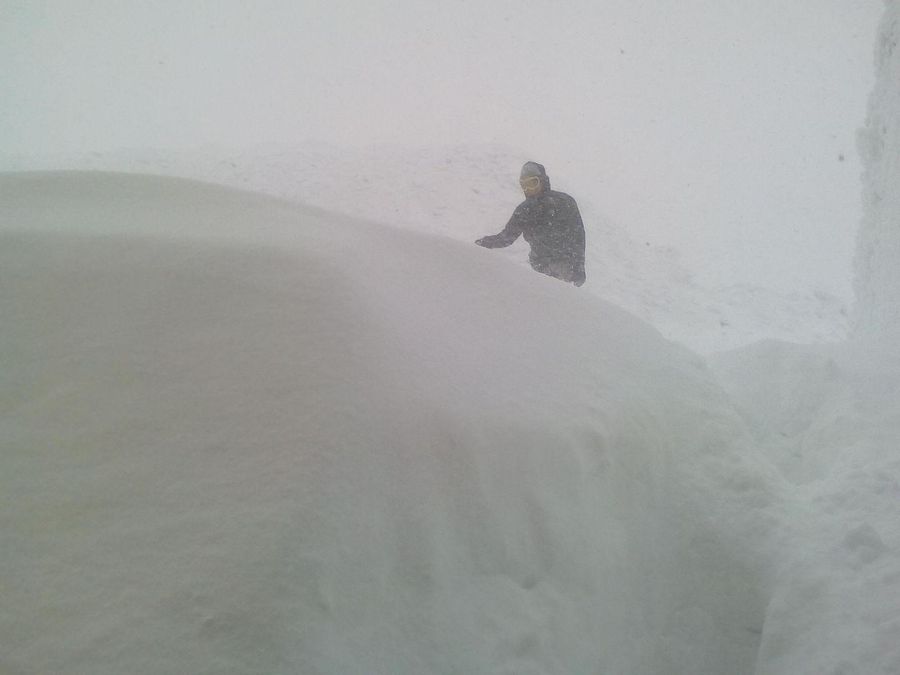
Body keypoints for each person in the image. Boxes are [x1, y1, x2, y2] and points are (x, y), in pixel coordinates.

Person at [476, 162, 586, 286]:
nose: (528, 190)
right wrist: (484, 243)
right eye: (524, 185)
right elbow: (506, 238)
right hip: (540, 267)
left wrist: (579, 266)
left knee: (557, 299)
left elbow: (578, 236)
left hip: (564, 267)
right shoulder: (524, 210)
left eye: (533, 183)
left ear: (543, 181)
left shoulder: (564, 203)